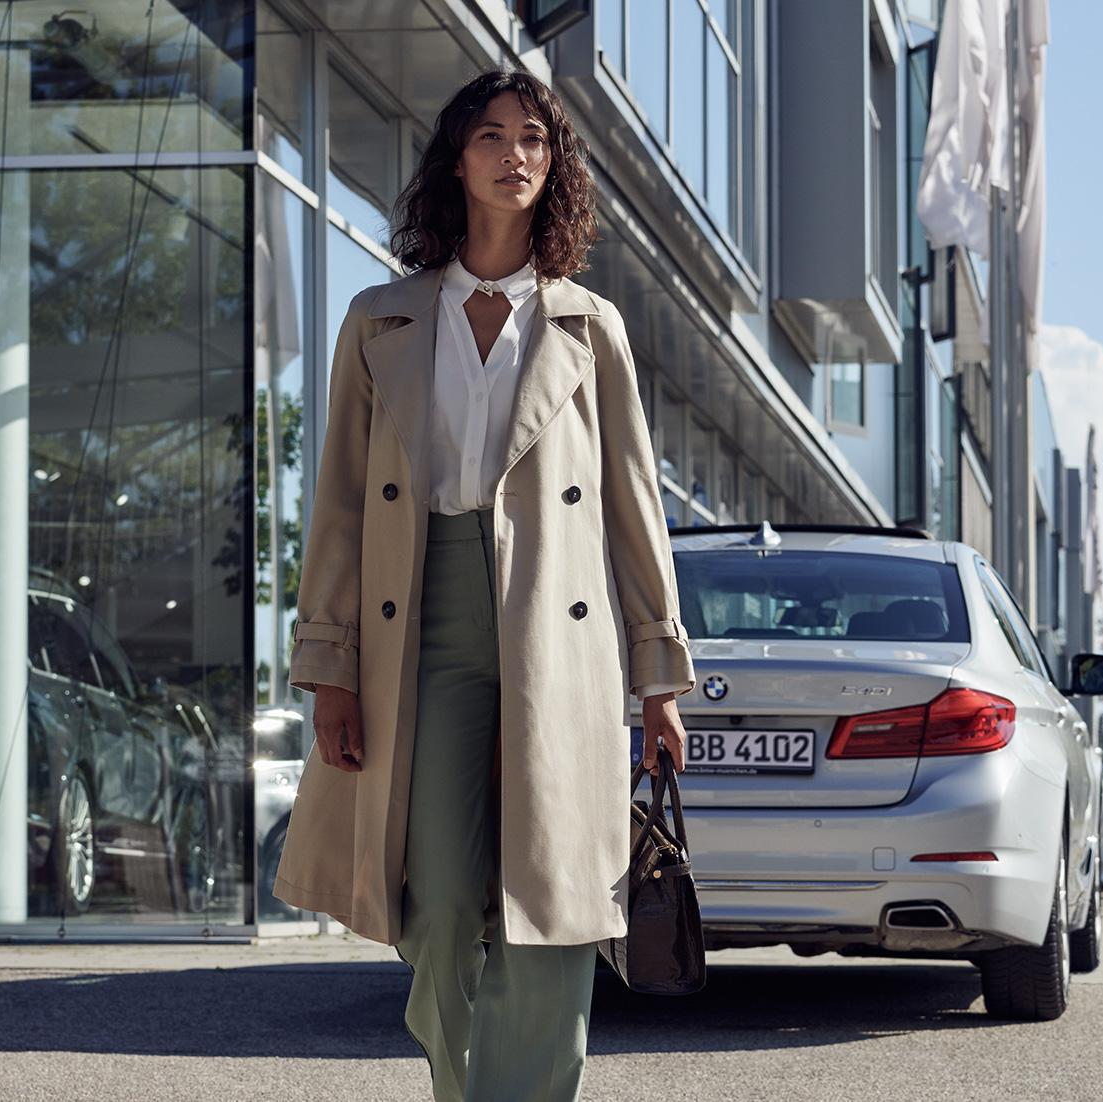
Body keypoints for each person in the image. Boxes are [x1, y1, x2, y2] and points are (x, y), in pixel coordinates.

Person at [272, 69, 695, 1102]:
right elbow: (334, 507)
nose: (515, 155)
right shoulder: (381, 320)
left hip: (561, 635)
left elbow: (634, 508)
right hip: (419, 629)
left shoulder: (588, 327)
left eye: (534, 142)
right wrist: (328, 667)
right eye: (492, 136)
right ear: (455, 159)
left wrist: (660, 678)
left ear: (554, 170)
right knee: (447, 903)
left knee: (550, 904)